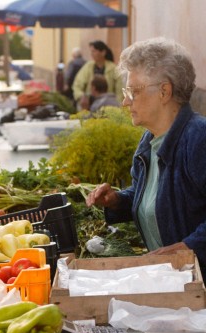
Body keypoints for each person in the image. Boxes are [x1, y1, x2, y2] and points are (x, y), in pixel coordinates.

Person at [86, 37, 206, 282]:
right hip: (172, 283)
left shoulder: (199, 138)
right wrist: (117, 200)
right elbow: (155, 195)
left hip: (198, 288)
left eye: (133, 91)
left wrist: (188, 246)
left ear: (164, 91)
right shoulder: (148, 141)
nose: (125, 101)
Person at [72, 40, 123, 110]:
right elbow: (77, 85)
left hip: (108, 106)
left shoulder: (113, 68)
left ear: (103, 52)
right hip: (90, 105)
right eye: (91, 51)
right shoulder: (88, 67)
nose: (91, 54)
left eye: (94, 51)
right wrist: (81, 96)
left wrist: (118, 105)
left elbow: (120, 90)